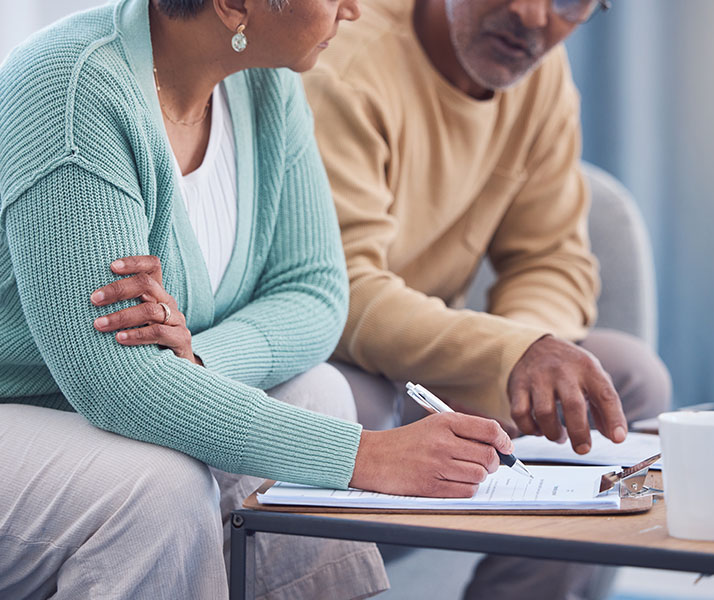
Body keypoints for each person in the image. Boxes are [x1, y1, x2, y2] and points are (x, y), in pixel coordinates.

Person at [0, 0, 515, 598]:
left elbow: (315, 293)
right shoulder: (72, 91)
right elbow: (114, 383)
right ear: (233, 5)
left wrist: (199, 362)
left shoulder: (266, 82)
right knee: (157, 488)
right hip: (22, 408)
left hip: (98, 400)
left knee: (320, 391)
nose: (354, 8)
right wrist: (363, 456)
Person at [303, 0, 672, 597]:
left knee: (627, 380)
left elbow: (551, 257)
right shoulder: (346, 61)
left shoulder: (541, 75)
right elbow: (341, 291)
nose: (532, 16)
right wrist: (510, 352)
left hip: (443, 352)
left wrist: (521, 356)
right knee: (347, 401)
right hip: (343, 349)